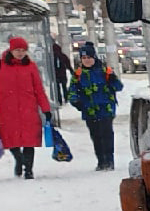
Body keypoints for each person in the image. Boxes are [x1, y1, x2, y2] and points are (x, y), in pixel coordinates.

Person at [0, 36, 53, 180]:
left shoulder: (31, 66)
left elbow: (39, 90)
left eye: (23, 50)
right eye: (17, 50)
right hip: (7, 111)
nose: (20, 53)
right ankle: (19, 159)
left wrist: (46, 109)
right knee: (11, 140)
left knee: (30, 141)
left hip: (29, 110)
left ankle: (28, 170)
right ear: (11, 50)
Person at [69, 42, 124, 171]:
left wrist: (112, 79)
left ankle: (109, 161)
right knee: (96, 136)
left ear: (94, 58)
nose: (87, 61)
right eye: (84, 58)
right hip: (89, 110)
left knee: (106, 135)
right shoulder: (78, 75)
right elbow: (72, 91)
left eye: (89, 57)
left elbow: (119, 87)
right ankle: (101, 161)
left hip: (106, 109)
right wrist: (76, 102)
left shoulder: (105, 71)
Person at [51, 40, 71, 106]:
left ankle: (59, 100)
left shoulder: (51, 57)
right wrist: (71, 71)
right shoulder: (63, 56)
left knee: (57, 88)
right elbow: (68, 64)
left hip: (56, 75)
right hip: (62, 74)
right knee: (64, 87)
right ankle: (66, 98)